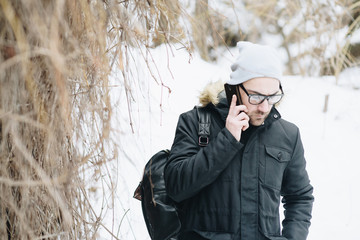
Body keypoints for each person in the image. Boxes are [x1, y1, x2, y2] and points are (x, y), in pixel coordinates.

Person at [164, 41, 314, 240]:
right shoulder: (196, 122)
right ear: (234, 89)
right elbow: (176, 187)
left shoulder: (288, 134)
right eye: (256, 96)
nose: (264, 107)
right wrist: (226, 139)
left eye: (272, 97)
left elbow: (300, 198)